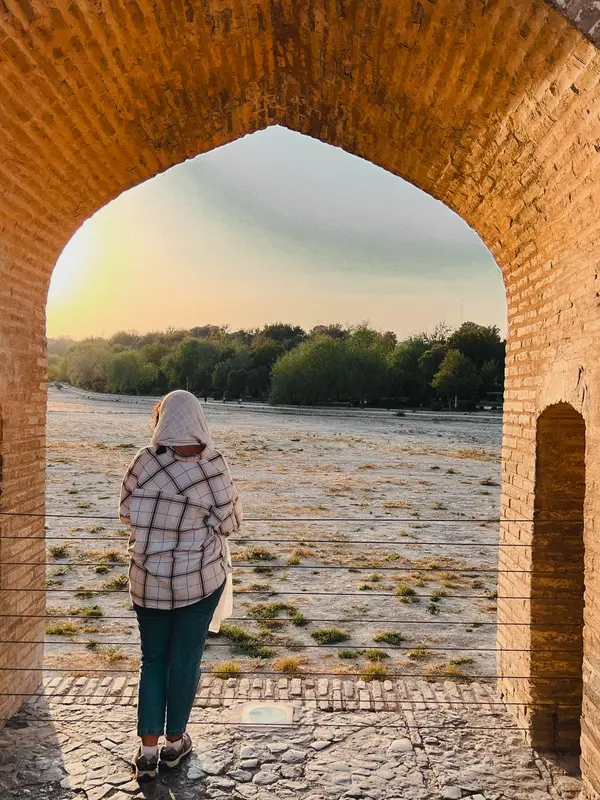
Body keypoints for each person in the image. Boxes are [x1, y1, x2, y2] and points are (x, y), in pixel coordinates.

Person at [119, 390, 242, 781]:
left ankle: (148, 752)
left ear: (162, 420)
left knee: (153, 660)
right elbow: (230, 524)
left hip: (146, 583)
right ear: (200, 421)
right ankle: (175, 744)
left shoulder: (143, 460)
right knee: (185, 661)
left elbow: (125, 512)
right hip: (197, 583)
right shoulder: (213, 466)